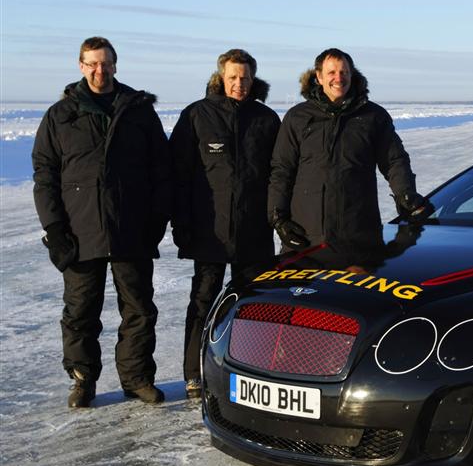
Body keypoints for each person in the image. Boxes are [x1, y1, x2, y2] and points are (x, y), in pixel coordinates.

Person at [32, 36, 171, 407]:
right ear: (81, 66)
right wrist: (54, 229)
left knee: (139, 309)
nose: (99, 70)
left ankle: (137, 377)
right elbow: (45, 176)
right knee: (80, 311)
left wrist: (156, 220)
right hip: (80, 231)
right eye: (92, 64)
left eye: (105, 63)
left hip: (131, 229)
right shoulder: (61, 115)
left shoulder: (137, 109)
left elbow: (161, 169)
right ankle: (82, 380)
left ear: (115, 65)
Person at [170, 49, 281, 398]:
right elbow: (177, 173)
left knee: (253, 304)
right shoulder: (196, 116)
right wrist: (181, 223)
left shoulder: (266, 119)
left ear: (253, 78)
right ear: (221, 77)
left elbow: (280, 173)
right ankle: (194, 372)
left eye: (245, 78)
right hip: (209, 230)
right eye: (233, 77)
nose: (239, 84)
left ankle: (252, 371)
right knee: (203, 300)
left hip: (254, 231)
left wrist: (277, 217)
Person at [268, 48, 428, 253]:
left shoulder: (373, 116)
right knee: (301, 286)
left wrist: (405, 194)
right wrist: (278, 218)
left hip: (359, 233)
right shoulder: (297, 117)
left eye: (344, 72)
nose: (338, 78)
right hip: (306, 234)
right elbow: (282, 169)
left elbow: (394, 160)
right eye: (332, 73)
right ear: (318, 77)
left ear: (352, 75)